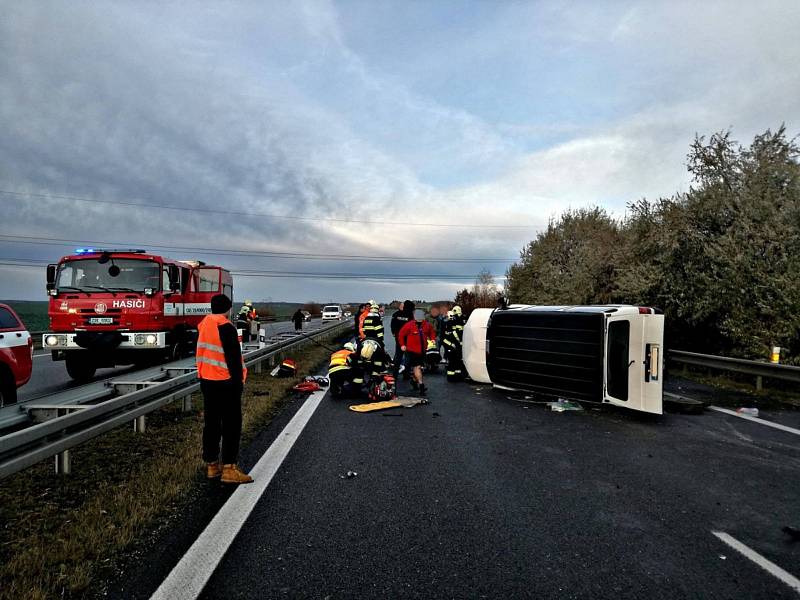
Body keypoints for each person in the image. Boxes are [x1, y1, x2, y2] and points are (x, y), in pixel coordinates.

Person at [197, 294, 252, 485]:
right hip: (226, 383)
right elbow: (234, 361)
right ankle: (229, 468)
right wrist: (239, 384)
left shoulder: (204, 325)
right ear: (228, 309)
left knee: (211, 424)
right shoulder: (226, 327)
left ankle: (212, 466)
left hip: (207, 381)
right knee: (231, 425)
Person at [397, 309, 436, 397]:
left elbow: (432, 332)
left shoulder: (426, 325)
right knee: (417, 367)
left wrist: (432, 339)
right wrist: (402, 345)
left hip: (422, 351)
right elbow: (401, 334)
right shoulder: (409, 325)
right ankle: (421, 386)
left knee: (419, 368)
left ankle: (414, 381)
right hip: (412, 351)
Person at [390, 300, 415, 377]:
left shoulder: (395, 314)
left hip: (399, 338)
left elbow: (392, 325)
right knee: (408, 356)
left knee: (398, 355)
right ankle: (406, 374)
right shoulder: (410, 315)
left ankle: (395, 374)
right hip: (408, 338)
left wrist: (394, 333)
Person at [443, 305, 465, 382]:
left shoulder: (457, 321)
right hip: (451, 345)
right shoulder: (448, 324)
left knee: (457, 361)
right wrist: (451, 345)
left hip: (456, 345)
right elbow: (445, 338)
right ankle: (451, 377)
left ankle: (457, 376)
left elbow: (459, 333)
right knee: (452, 362)